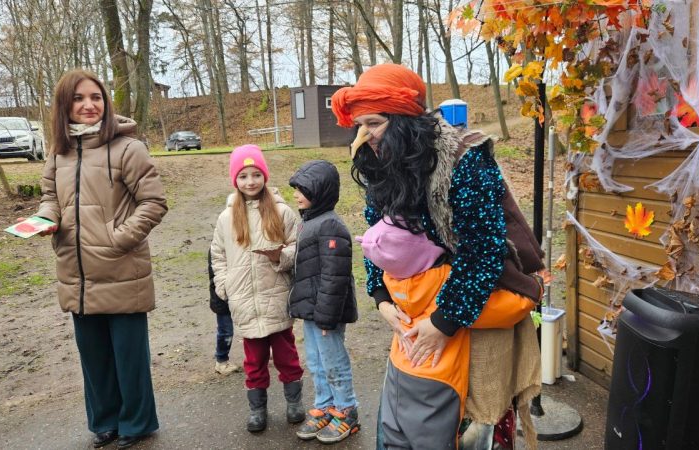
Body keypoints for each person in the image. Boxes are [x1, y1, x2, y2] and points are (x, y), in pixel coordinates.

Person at [331, 63, 544, 450]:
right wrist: (380, 297)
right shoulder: (382, 161)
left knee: (475, 427)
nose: (365, 136)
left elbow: (485, 250)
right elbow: (376, 236)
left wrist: (444, 321)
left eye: (374, 123)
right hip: (417, 306)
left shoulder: (464, 161)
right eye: (360, 124)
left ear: (404, 121)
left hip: (479, 308)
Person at [29, 69, 167, 449]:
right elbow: (50, 198)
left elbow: (154, 202)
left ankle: (137, 423)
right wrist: (46, 220)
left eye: (96, 97)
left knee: (128, 359)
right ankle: (104, 422)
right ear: (64, 106)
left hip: (122, 270)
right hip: (78, 274)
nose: (89, 105)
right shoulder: (58, 153)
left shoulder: (128, 149)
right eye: (78, 98)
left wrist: (118, 238)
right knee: (94, 360)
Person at [210, 144, 305, 433]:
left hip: (275, 297)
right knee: (254, 360)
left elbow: (297, 247)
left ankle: (293, 402)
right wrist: (224, 286)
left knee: (287, 355)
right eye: (243, 176)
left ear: (264, 176)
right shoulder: (226, 218)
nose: (250, 181)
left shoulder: (283, 212)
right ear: (235, 181)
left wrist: (281, 257)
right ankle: (257, 408)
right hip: (244, 301)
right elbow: (218, 254)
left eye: (255, 174)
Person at [287, 160, 360, 444]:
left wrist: (327, 317)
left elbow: (334, 275)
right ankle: (325, 404)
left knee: (333, 361)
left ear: (319, 191)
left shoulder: (330, 225)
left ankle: (346, 410)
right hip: (311, 310)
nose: (295, 195)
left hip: (326, 312)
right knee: (316, 362)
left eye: (301, 190)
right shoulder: (310, 222)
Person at [207, 250, 240, 376]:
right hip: (222, 297)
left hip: (238, 293)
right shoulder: (217, 248)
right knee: (226, 331)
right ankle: (221, 361)